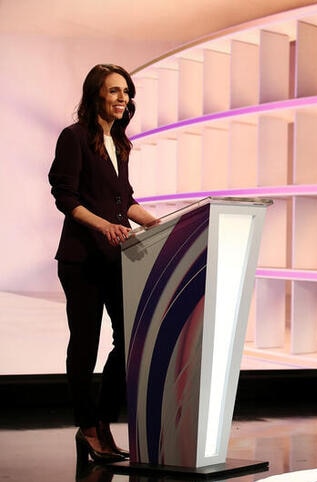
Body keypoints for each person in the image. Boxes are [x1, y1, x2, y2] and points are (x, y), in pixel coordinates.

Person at [49, 64, 157, 464]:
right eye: (114, 91)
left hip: (115, 257)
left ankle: (101, 420)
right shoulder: (74, 137)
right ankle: (87, 426)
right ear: (96, 94)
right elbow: (66, 196)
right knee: (85, 344)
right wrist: (105, 226)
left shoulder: (120, 143)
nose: (122, 99)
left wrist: (156, 221)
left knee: (129, 338)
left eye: (126, 92)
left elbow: (123, 198)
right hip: (81, 259)